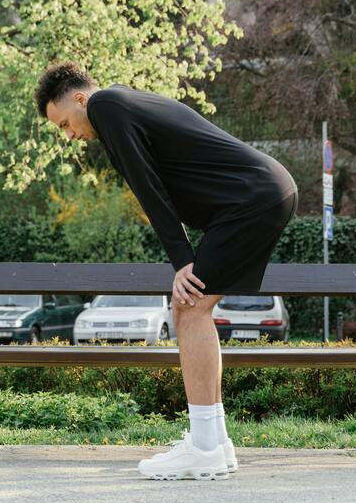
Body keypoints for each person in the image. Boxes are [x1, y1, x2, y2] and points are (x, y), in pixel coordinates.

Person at [34, 61, 297, 481]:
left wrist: (182, 261)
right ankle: (215, 442)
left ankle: (205, 447)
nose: (68, 136)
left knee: (187, 308)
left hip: (251, 199)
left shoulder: (106, 106)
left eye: (65, 123)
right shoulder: (122, 102)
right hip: (260, 193)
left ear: (80, 99)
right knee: (195, 309)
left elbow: (147, 185)